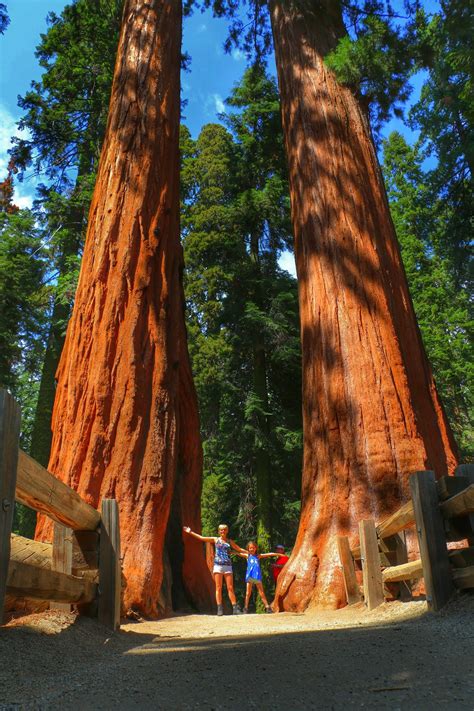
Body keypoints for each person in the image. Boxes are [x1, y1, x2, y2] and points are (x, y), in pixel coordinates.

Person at [183, 523, 243, 616]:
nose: (222, 531)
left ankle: (235, 608)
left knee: (230, 587)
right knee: (218, 588)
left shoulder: (229, 541)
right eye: (221, 530)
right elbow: (202, 538)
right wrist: (190, 532)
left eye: (224, 530)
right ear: (219, 531)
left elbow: (239, 549)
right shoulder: (215, 539)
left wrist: (250, 553)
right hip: (218, 566)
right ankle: (219, 609)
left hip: (227, 566)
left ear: (227, 531)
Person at [235, 541, 278, 614]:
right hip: (250, 576)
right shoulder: (247, 556)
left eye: (253, 548)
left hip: (256, 576)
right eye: (250, 548)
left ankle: (267, 607)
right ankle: (245, 608)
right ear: (248, 549)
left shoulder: (258, 556)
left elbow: (269, 554)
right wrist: (232, 552)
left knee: (261, 592)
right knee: (248, 593)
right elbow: (238, 553)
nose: (252, 549)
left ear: (256, 548)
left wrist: (278, 554)